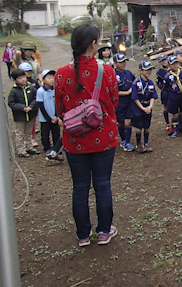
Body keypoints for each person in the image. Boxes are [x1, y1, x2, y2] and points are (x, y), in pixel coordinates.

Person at [55, 24, 119, 246]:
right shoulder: (107, 71)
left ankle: (83, 235)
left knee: (79, 187)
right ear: (94, 44)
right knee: (102, 184)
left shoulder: (61, 74)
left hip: (74, 142)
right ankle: (103, 231)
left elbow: (60, 110)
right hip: (104, 140)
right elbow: (113, 103)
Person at [7, 68, 40, 158]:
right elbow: (11, 103)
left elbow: (36, 98)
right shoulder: (14, 91)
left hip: (30, 114)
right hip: (20, 116)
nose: (23, 79)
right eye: (20, 78)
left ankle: (30, 147)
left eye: (23, 77)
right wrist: (22, 108)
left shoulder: (31, 87)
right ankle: (21, 150)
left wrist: (31, 107)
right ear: (15, 80)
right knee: (20, 133)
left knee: (29, 132)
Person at [36, 69, 63, 161]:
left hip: (55, 117)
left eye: (53, 77)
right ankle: (47, 148)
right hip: (45, 118)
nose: (52, 80)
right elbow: (41, 106)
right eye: (49, 78)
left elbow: (58, 103)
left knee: (56, 133)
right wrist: (48, 118)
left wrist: (56, 115)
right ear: (43, 80)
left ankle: (56, 148)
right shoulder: (40, 91)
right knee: (45, 134)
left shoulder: (55, 90)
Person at [131, 60, 158, 153]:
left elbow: (153, 96)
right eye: (146, 70)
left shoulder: (150, 83)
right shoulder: (135, 83)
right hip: (138, 108)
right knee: (139, 127)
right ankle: (139, 145)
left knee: (147, 126)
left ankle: (146, 143)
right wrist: (142, 108)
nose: (149, 72)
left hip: (148, 107)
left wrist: (150, 107)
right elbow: (134, 98)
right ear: (141, 71)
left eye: (150, 69)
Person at [165, 55, 182, 137]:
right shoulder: (167, 76)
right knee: (175, 114)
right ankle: (175, 129)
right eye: (173, 64)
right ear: (169, 65)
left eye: (176, 63)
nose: (175, 65)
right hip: (173, 96)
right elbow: (165, 87)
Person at [113, 53, 135, 151]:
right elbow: (112, 91)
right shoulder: (112, 74)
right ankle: (123, 140)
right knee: (120, 122)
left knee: (128, 121)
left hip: (129, 102)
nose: (123, 64)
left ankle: (127, 141)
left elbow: (134, 82)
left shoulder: (129, 73)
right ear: (115, 63)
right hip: (119, 102)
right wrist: (126, 93)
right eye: (120, 62)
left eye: (124, 61)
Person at [19, 62, 41, 148]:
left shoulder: (34, 81)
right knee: (22, 125)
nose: (29, 73)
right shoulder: (19, 84)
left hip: (33, 106)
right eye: (26, 71)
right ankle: (23, 140)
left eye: (30, 71)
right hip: (23, 107)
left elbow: (38, 92)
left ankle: (32, 139)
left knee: (32, 123)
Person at [156, 54, 172, 132]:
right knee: (165, 107)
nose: (164, 62)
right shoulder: (159, 72)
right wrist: (163, 88)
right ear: (159, 62)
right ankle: (168, 123)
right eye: (162, 61)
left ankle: (175, 122)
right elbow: (158, 83)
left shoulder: (172, 68)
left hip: (173, 91)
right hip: (165, 91)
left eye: (165, 60)